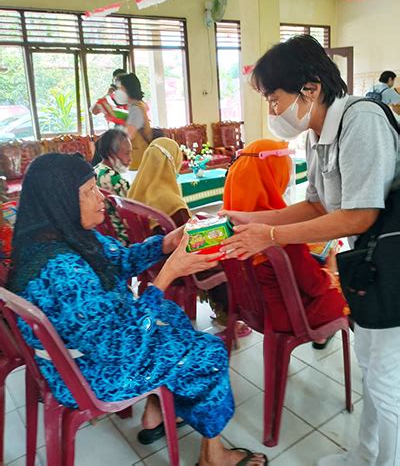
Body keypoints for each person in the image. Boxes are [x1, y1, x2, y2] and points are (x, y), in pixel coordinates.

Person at [9, 153, 267, 466]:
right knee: (210, 352)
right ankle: (212, 456)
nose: (101, 197)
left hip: (87, 348)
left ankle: (156, 412)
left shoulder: (63, 236)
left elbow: (121, 261)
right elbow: (122, 345)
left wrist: (166, 243)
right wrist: (168, 273)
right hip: (90, 372)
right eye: (89, 191)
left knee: (170, 315)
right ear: (60, 200)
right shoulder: (62, 269)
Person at [219, 34, 400, 466]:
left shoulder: (362, 120)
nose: (272, 111)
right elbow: (317, 204)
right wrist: (255, 219)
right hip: (368, 264)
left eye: (273, 98)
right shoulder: (317, 135)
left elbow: (360, 215)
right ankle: (364, 455)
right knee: (371, 369)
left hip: (392, 263)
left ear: (311, 88)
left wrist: (272, 237)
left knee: (387, 380)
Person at [223, 138, 347, 345]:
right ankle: (323, 335)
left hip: (251, 309)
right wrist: (332, 271)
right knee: (347, 286)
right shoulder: (277, 234)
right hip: (289, 316)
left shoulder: (229, 221)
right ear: (273, 175)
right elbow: (315, 286)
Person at [129, 137, 252, 336]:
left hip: (149, 263)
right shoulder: (169, 200)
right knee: (224, 259)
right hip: (171, 263)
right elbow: (192, 239)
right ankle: (228, 315)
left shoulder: (134, 192)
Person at [117, 73, 164, 170]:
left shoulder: (135, 108)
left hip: (137, 156)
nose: (118, 92)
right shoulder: (139, 105)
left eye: (120, 88)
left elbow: (130, 135)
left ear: (128, 89)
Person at [95, 129, 132, 245]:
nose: (130, 158)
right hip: (121, 237)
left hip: (104, 234)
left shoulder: (96, 170)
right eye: (126, 153)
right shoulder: (115, 179)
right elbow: (132, 213)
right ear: (111, 153)